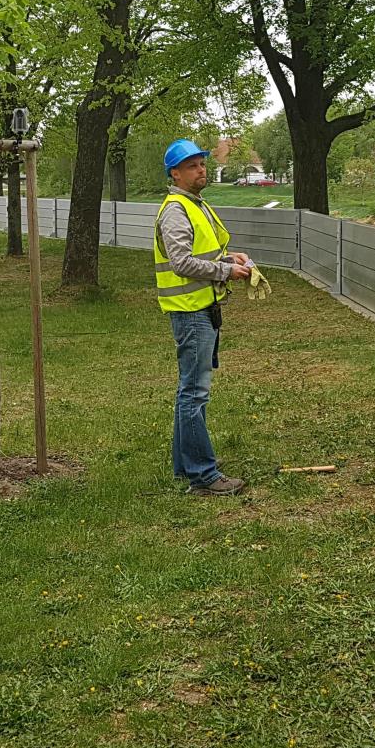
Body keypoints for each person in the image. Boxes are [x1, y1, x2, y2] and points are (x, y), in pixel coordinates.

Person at [155, 139, 254, 497]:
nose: (201, 170)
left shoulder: (194, 204)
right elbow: (182, 263)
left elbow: (202, 253)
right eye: (192, 166)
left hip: (200, 309)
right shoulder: (176, 210)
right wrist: (225, 272)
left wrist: (229, 259)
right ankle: (203, 475)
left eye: (201, 163)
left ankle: (187, 465)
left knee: (190, 390)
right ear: (175, 174)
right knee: (194, 394)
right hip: (191, 312)